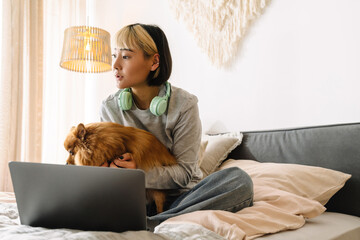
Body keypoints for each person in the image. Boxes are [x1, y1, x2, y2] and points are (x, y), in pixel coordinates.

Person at [99, 23, 253, 225]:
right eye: (114, 56)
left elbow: (183, 174)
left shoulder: (184, 105)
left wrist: (139, 173)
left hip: (182, 199)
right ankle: (148, 221)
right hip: (133, 199)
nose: (115, 65)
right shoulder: (110, 107)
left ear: (154, 62)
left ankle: (151, 224)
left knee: (239, 180)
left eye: (125, 57)